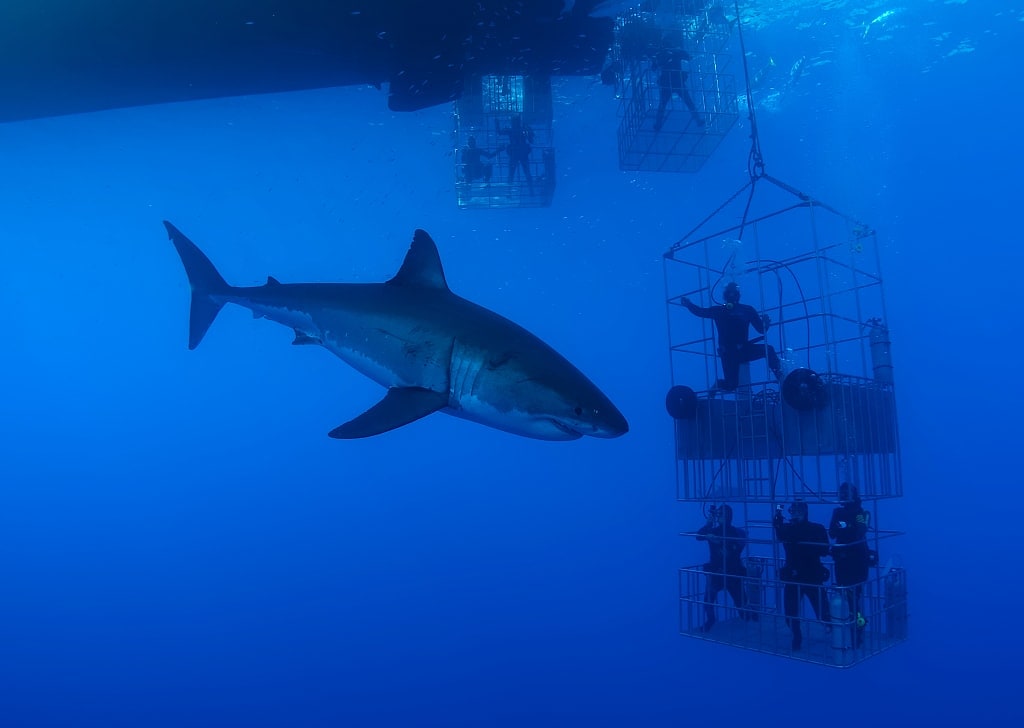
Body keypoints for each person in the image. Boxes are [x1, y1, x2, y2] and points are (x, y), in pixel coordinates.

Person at [680, 281, 782, 390]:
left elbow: (761, 329)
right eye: (730, 293)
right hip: (728, 353)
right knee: (731, 385)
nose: (732, 296)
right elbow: (700, 312)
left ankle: (781, 378)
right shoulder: (723, 310)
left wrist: (765, 323)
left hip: (742, 350)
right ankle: (719, 384)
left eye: (733, 293)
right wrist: (689, 305)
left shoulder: (744, 310)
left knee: (768, 350)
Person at [774, 500, 832, 651]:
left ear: (805, 512)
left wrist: (808, 545)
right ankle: (797, 636)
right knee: (790, 613)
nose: (795, 513)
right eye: (793, 510)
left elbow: (825, 550)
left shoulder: (816, 528)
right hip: (794, 576)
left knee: (823, 612)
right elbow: (779, 531)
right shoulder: (787, 529)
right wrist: (778, 517)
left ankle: (833, 630)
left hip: (812, 576)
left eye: (798, 510)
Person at [695, 504, 749, 632]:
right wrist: (708, 525)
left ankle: (747, 617)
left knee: (741, 602)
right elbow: (698, 536)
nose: (718, 516)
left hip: (733, 573)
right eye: (717, 514)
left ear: (728, 516)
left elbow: (738, 546)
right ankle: (711, 620)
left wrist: (720, 542)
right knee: (708, 600)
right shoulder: (713, 531)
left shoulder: (736, 532)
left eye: (721, 514)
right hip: (716, 573)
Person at [830, 482, 872, 644]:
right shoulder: (837, 512)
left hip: (857, 561)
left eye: (846, 493)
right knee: (844, 596)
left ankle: (858, 628)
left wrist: (844, 526)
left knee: (854, 597)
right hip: (841, 559)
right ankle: (849, 628)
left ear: (854, 495)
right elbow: (832, 532)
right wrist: (847, 526)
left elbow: (859, 532)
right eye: (841, 493)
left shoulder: (862, 513)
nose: (843, 496)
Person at [651, 42, 704, 132]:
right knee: (688, 102)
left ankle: (658, 124)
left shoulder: (660, 54)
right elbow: (689, 57)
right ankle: (698, 120)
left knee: (663, 104)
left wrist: (656, 60)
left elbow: (653, 68)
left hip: (667, 83)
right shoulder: (677, 52)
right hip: (677, 81)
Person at [496, 115, 534, 192]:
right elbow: (531, 141)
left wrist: (497, 122)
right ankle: (531, 190)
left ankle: (509, 191)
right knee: (526, 172)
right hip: (522, 153)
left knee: (512, 173)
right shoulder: (523, 130)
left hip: (515, 154)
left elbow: (499, 132)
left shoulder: (512, 130)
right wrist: (529, 130)